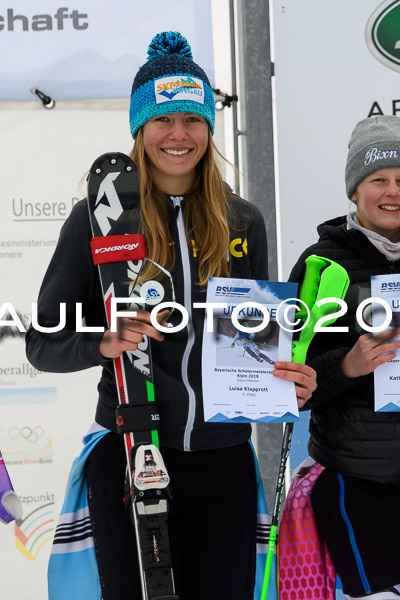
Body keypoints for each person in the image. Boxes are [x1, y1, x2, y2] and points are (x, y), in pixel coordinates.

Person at [26, 31, 316, 600]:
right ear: (139, 129)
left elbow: (250, 338)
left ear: (210, 128)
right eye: (163, 120)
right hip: (133, 452)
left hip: (223, 461)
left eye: (192, 119)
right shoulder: (99, 217)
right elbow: (42, 342)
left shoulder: (241, 220)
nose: (178, 135)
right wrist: (101, 343)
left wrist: (283, 379)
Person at [289, 115, 400, 600]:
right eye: (378, 180)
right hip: (359, 481)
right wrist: (348, 366)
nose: (392, 192)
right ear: (355, 191)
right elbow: (289, 385)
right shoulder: (323, 265)